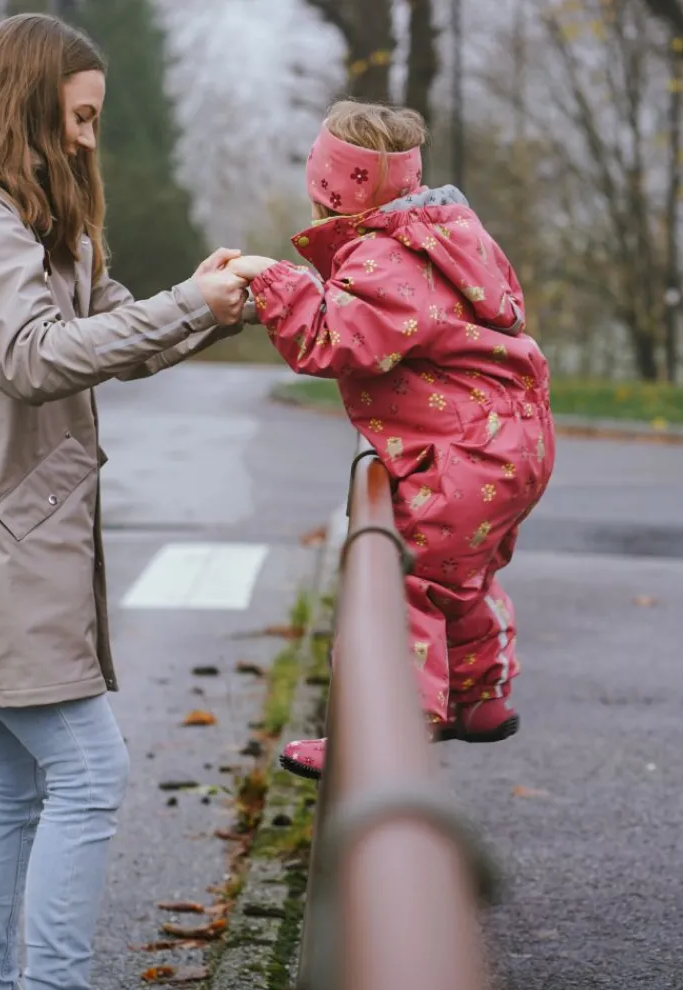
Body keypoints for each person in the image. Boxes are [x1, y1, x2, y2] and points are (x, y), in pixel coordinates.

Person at [0, 14, 250, 990]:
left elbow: (105, 331)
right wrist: (192, 302)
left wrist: (214, 302)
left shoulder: (18, 221)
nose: (92, 137)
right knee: (88, 776)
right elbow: (31, 357)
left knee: (20, 784)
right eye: (82, 115)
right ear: (28, 104)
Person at [228, 101, 556, 781]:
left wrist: (270, 277)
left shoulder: (384, 256)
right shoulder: (453, 235)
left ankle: (381, 734)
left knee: (399, 585)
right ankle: (481, 698)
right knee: (461, 576)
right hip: (515, 444)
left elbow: (334, 339)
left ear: (330, 189)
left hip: (465, 454)